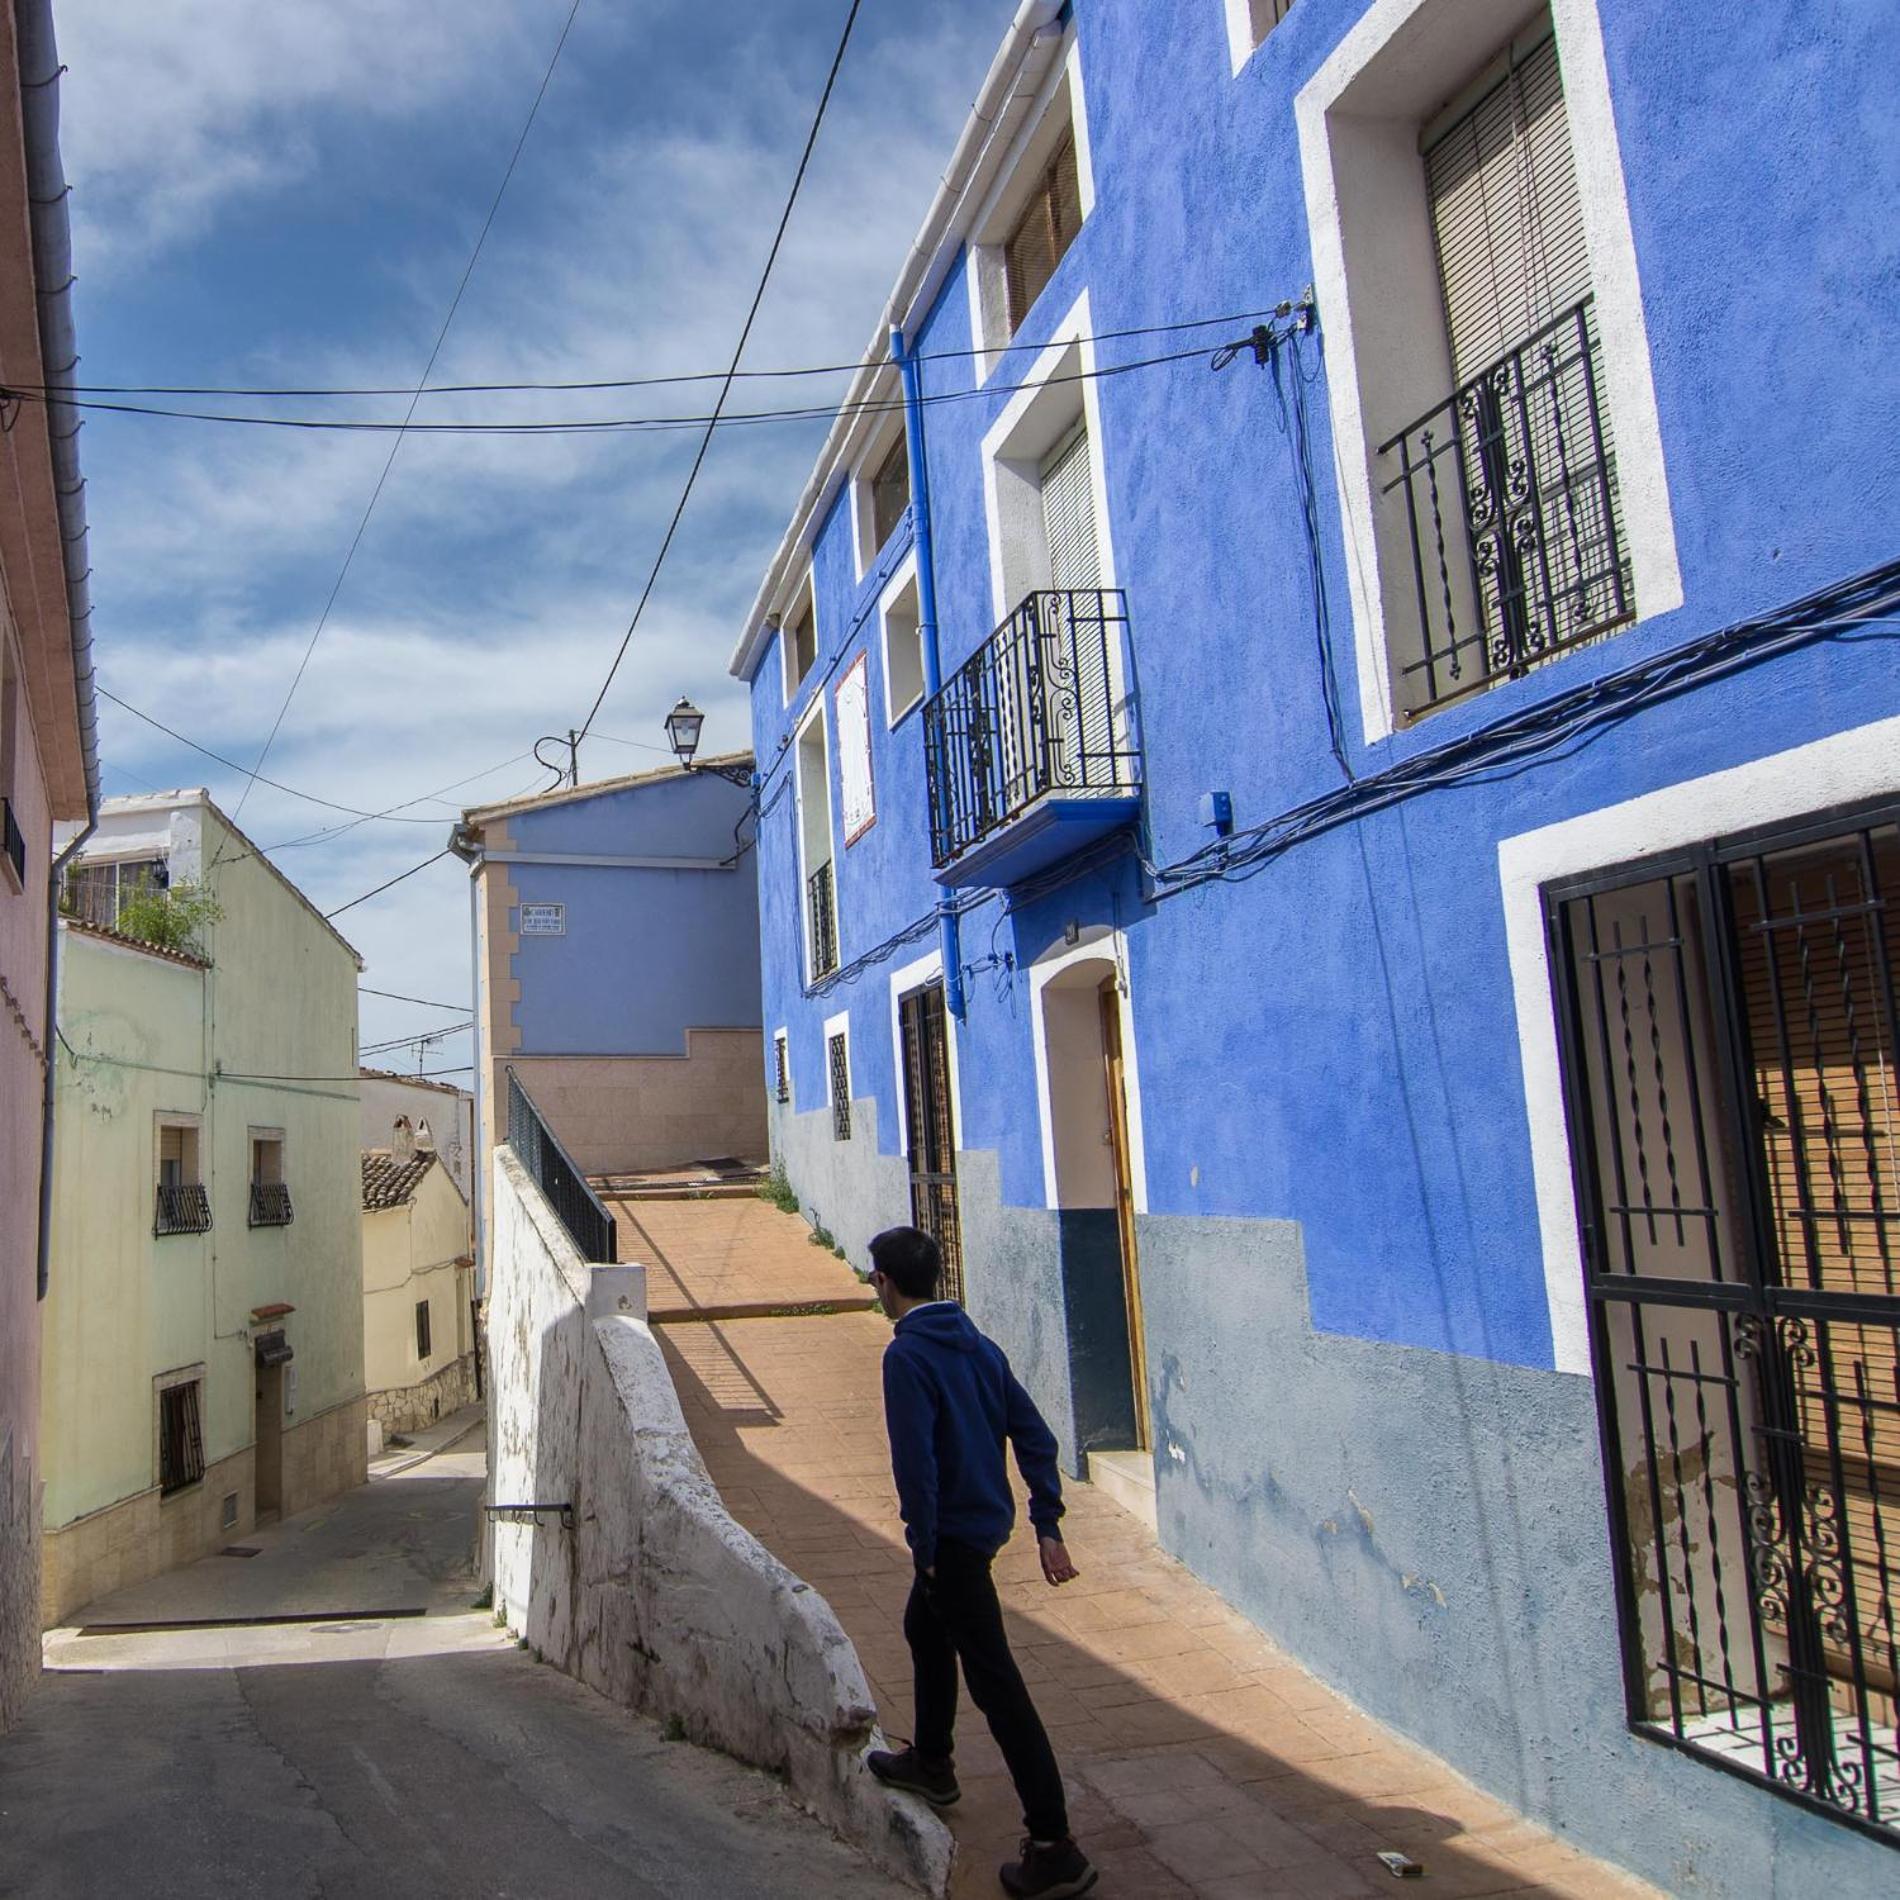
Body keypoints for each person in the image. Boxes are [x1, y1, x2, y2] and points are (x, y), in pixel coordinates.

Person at [863, 1225, 1097, 1900]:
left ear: (886, 1283)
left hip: (954, 1545)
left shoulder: (906, 1358)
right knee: (921, 1627)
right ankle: (932, 1762)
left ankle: (1055, 1846)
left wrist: (926, 1548)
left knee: (999, 1690)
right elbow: (1035, 1434)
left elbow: (917, 1466)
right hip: (979, 1532)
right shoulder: (979, 1345)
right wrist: (1046, 1521)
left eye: (875, 1280)